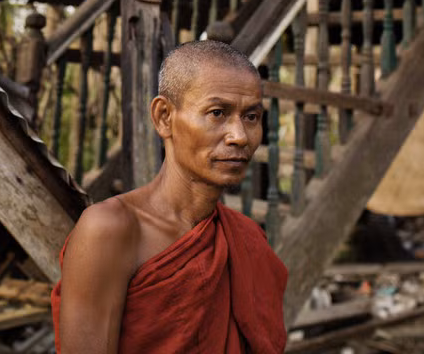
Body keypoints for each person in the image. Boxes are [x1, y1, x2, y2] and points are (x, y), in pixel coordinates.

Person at [50, 40, 287, 353]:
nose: (239, 136)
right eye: (217, 113)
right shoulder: (111, 229)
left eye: (251, 117)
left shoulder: (247, 237)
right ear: (164, 117)